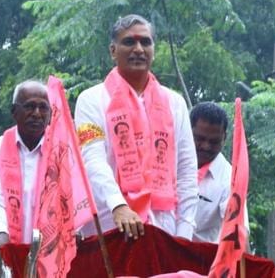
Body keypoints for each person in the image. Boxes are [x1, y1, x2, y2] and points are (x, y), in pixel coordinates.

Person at [75, 14, 198, 240]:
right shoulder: (91, 100)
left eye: (145, 42)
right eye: (129, 42)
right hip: (109, 226)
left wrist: (184, 234)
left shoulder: (175, 103)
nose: (139, 49)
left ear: (154, 49)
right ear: (113, 51)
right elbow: (92, 160)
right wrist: (118, 206)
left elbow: (187, 172)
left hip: (164, 230)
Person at [0, 80, 51, 268]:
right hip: (8, 256)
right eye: (30, 106)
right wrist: (0, 235)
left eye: (43, 107)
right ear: (14, 112)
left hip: (53, 254)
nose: (37, 114)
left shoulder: (63, 151)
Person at [189, 102, 232, 243]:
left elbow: (236, 229)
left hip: (201, 261)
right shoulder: (167, 161)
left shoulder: (229, 177)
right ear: (187, 132)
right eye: (199, 139)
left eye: (214, 142)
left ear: (224, 138)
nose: (206, 146)